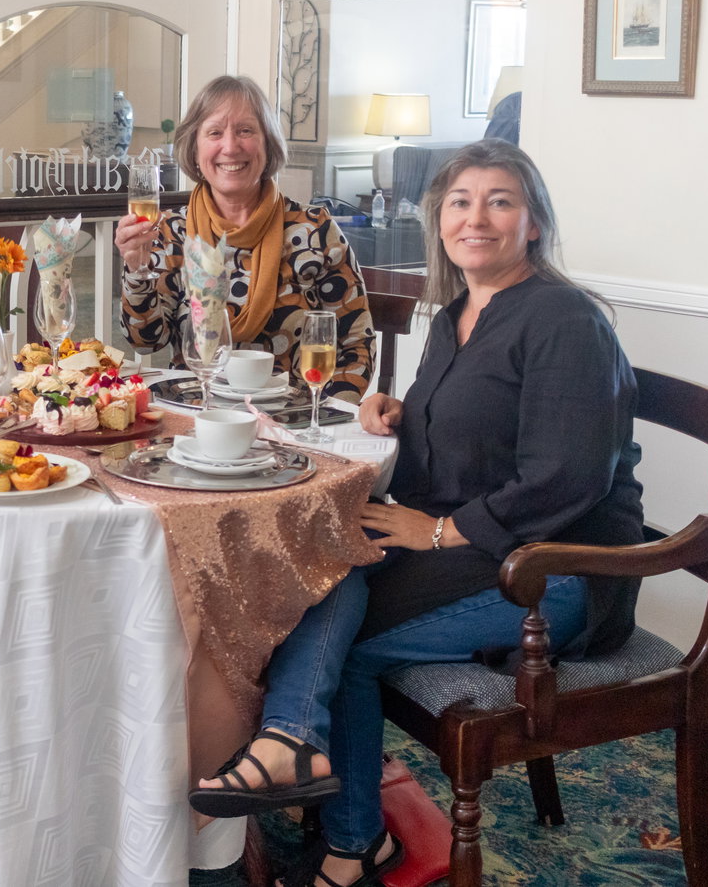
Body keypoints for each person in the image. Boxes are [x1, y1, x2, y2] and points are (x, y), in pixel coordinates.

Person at [190, 140, 644, 887]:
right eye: (460, 202)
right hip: (479, 551)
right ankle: (299, 755)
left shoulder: (565, 320)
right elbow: (477, 429)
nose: (476, 218)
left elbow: (567, 475)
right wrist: (403, 413)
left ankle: (350, 837)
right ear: (439, 220)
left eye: (499, 201)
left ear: (533, 223)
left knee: (349, 641)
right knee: (320, 570)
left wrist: (438, 531)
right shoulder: (459, 311)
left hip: (556, 569)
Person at [115, 75, 374, 401]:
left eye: (245, 131)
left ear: (268, 144)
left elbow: (356, 345)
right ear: (194, 148)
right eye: (214, 133)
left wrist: (318, 417)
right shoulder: (171, 230)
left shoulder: (314, 230)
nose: (230, 147)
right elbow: (146, 340)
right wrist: (137, 270)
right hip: (196, 410)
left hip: (288, 416)